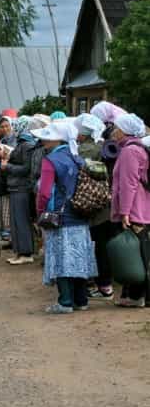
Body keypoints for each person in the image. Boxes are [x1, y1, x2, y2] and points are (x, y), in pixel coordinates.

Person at [33, 121, 97, 314]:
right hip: (80, 214)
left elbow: (44, 193)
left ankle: (65, 301)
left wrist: (40, 212)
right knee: (79, 257)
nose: (44, 139)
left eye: (48, 136)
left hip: (59, 217)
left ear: (58, 139)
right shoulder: (77, 157)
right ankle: (81, 299)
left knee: (61, 257)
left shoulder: (51, 160)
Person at [110, 113, 150, 307]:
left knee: (136, 254)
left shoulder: (129, 152)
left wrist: (124, 211)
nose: (113, 131)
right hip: (142, 208)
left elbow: (128, 184)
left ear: (124, 131)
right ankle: (133, 295)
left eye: (116, 128)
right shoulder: (137, 148)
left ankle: (137, 296)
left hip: (134, 210)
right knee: (139, 251)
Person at [74, 114, 114, 300]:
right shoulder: (102, 147)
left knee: (96, 246)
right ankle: (106, 283)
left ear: (82, 134)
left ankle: (102, 284)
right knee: (104, 244)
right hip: (106, 201)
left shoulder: (82, 151)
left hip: (90, 201)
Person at [0, 117, 39, 265]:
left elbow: (26, 168)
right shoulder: (23, 143)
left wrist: (7, 166)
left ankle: (26, 252)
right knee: (16, 221)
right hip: (16, 186)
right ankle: (20, 251)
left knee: (21, 220)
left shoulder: (26, 144)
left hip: (21, 187)